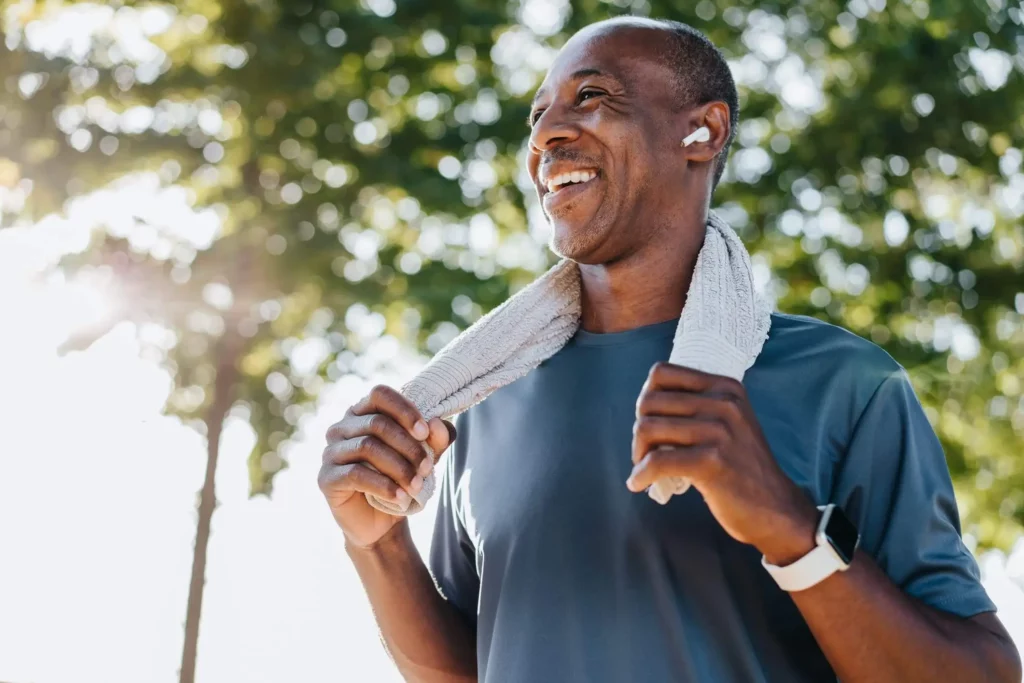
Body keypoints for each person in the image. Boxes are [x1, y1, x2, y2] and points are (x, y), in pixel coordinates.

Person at [317, 16, 1021, 683]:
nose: (547, 135)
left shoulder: (845, 385)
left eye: (591, 96)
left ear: (702, 132)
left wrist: (790, 528)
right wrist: (377, 544)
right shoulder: (482, 399)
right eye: (538, 116)